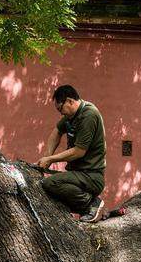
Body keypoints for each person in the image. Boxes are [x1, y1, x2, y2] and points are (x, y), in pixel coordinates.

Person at [37, 85, 107, 223]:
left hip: (91, 176)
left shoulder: (88, 115)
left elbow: (79, 152)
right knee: (51, 184)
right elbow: (56, 133)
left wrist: (51, 158)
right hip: (78, 174)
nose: (61, 114)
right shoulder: (71, 116)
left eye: (60, 109)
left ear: (69, 101)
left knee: (50, 183)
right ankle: (96, 212)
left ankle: (92, 204)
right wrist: (47, 158)